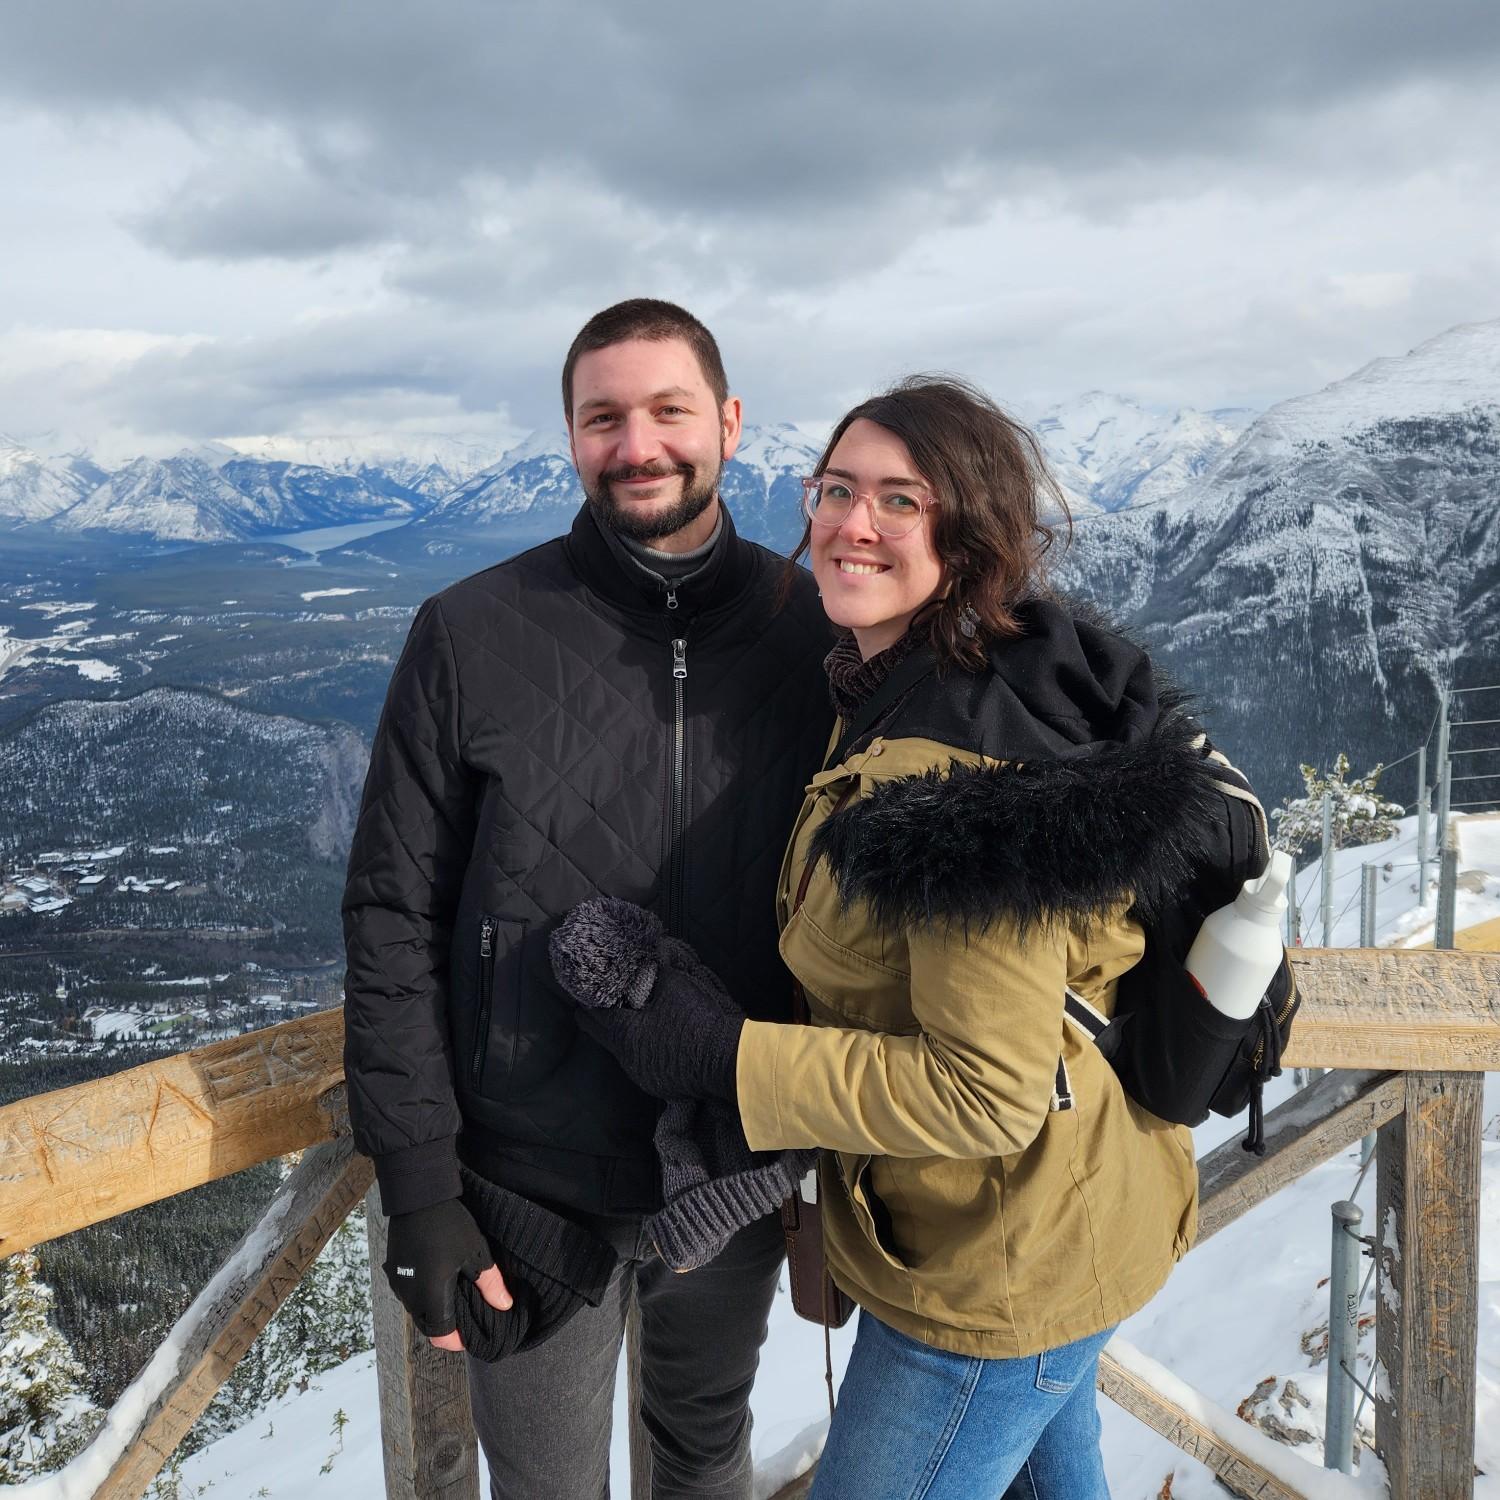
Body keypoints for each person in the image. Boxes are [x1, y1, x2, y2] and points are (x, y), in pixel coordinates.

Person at [551, 376, 1272, 1498]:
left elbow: (985, 1095)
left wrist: (721, 1057)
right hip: (1056, 1226)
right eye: (837, 489)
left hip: (997, 1274)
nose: (853, 523)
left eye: (901, 501)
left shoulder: (961, 773)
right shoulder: (931, 677)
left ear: (968, 535)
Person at [341, 298, 834, 1499]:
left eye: (669, 410)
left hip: (735, 1158)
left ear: (726, 422)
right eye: (603, 417)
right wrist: (421, 1188)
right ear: (570, 437)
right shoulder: (470, 631)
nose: (638, 443)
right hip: (524, 1184)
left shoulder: (818, 630)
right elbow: (391, 914)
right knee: (547, 1481)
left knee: (704, 1454)